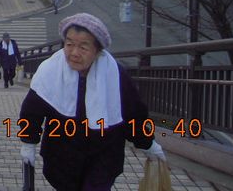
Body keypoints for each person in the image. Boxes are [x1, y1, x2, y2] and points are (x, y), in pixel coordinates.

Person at [19, 13, 166, 190]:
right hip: (61, 157)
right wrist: (28, 144)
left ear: (97, 51)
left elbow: (133, 114)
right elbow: (32, 112)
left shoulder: (114, 74)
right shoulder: (50, 70)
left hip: (103, 157)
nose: (74, 53)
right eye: (69, 44)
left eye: (83, 47)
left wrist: (147, 144)